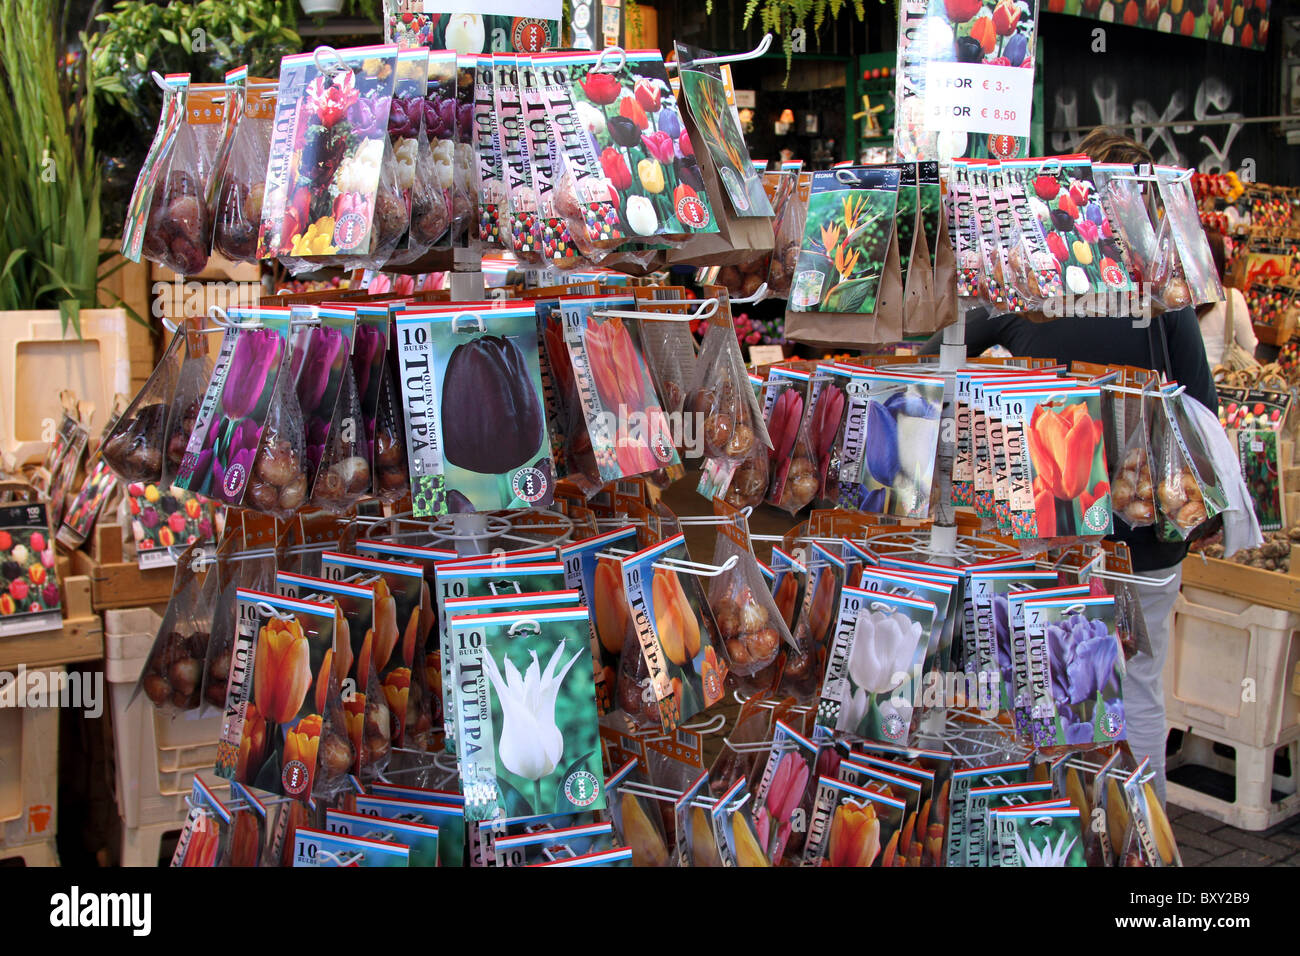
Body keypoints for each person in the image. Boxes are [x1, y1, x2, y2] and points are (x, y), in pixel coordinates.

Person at [922, 128, 1218, 802]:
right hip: (1146, 537)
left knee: (1047, 686)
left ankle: (1057, 820)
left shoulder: (1028, 288)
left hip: (1053, 530)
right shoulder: (1160, 295)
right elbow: (1202, 412)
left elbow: (944, 346)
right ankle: (1142, 837)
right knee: (1138, 688)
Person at [1197, 231, 1256, 368]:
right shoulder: (1232, 299)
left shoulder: (1172, 300)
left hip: (1175, 385)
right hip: (1219, 382)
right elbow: (1249, 347)